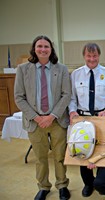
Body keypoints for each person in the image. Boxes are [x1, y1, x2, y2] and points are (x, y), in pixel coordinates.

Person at [14, 35, 71, 200]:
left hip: (57, 120)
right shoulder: (23, 69)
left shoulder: (61, 69)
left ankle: (62, 185)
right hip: (35, 121)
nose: (43, 49)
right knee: (40, 157)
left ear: (51, 49)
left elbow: (66, 95)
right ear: (34, 49)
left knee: (60, 156)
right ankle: (44, 187)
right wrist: (37, 117)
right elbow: (19, 97)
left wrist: (52, 116)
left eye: (46, 46)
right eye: (39, 46)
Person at [68, 43, 105, 197]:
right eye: (89, 56)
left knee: (102, 150)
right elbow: (72, 98)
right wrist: (72, 111)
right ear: (84, 56)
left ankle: (102, 182)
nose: (92, 59)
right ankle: (88, 184)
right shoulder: (75, 74)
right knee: (83, 151)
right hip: (82, 118)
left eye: (95, 56)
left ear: (99, 55)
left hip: (101, 118)